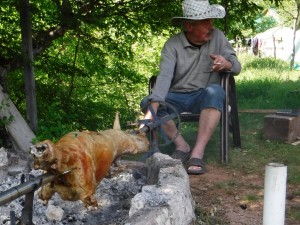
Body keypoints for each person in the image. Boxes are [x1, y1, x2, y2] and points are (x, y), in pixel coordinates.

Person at [140, 0, 241, 175]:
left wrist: (226, 64)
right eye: (205, 22)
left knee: (215, 91)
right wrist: (152, 109)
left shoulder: (218, 37)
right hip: (176, 96)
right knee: (148, 103)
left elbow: (237, 67)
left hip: (203, 95)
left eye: (211, 20)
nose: (211, 25)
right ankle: (182, 146)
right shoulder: (172, 45)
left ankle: (197, 152)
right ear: (189, 26)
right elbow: (163, 78)